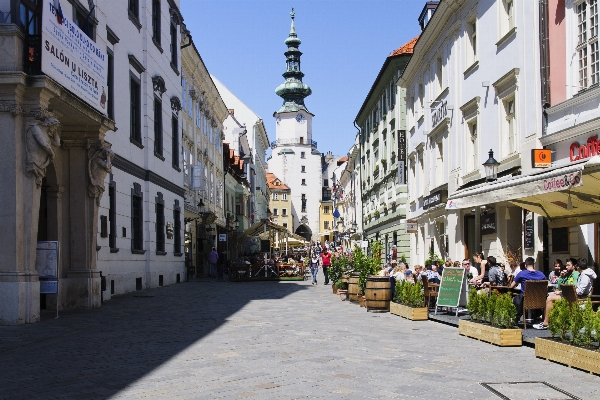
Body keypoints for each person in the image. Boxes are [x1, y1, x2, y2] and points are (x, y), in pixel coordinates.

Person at [535, 258, 597, 330]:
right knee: (550, 296)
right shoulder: (575, 274)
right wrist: (561, 277)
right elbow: (560, 287)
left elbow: (579, 291)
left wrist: (564, 291)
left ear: (576, 266)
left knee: (550, 298)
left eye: (568, 265)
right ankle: (547, 321)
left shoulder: (582, 276)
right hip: (572, 295)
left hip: (579, 297)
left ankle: (546, 323)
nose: (566, 267)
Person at [510, 256, 546, 324]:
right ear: (534, 265)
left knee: (515, 298)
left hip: (526, 300)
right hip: (539, 300)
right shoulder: (541, 275)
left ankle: (516, 318)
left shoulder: (522, 274)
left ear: (525, 265)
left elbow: (511, 286)